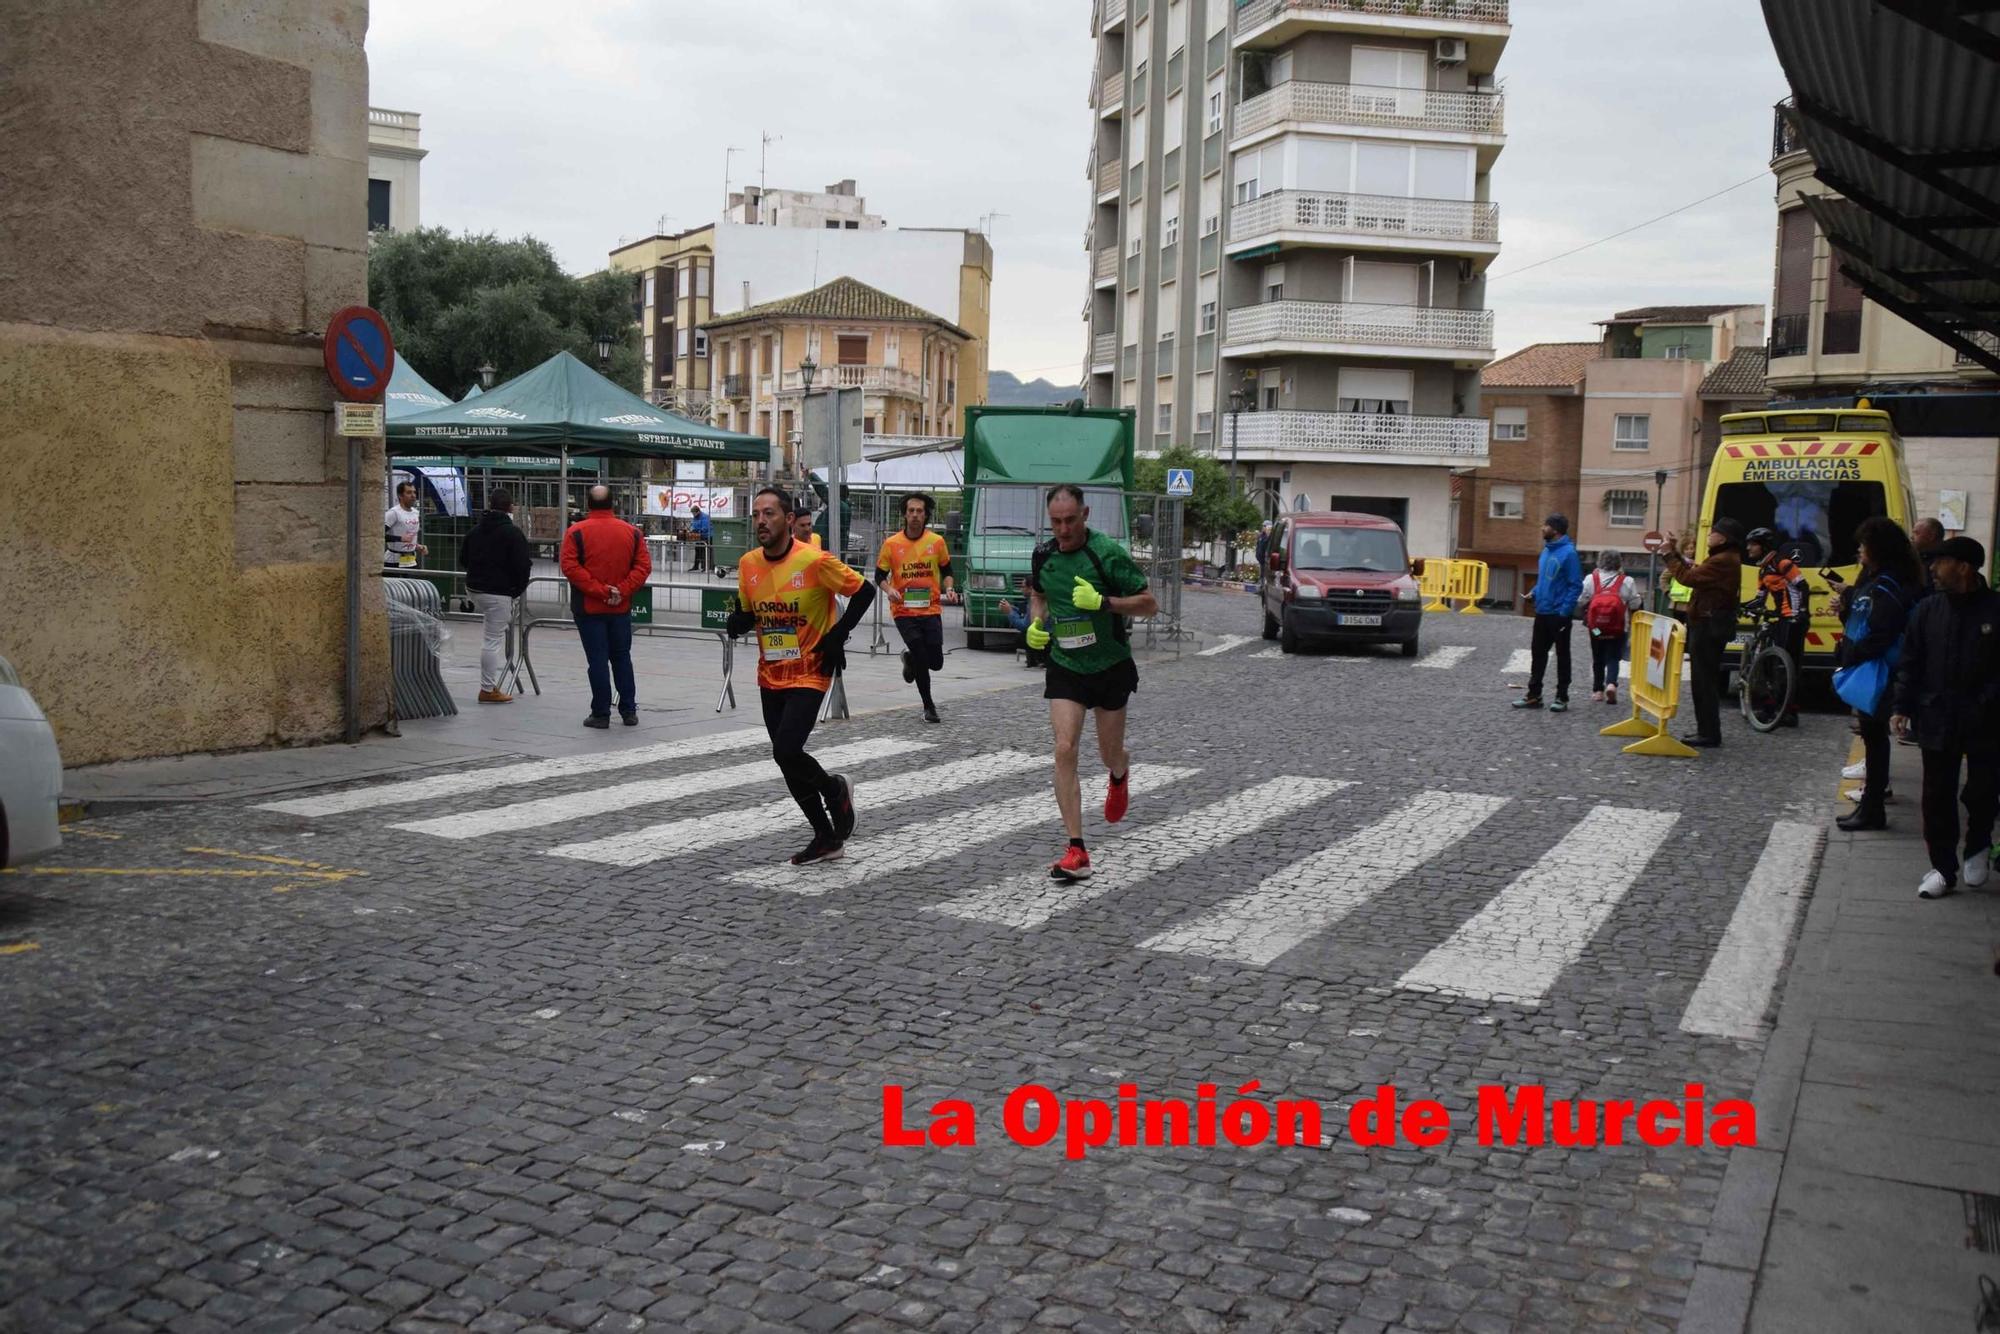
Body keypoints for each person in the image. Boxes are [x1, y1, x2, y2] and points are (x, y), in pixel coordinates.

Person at [727, 486, 876, 865]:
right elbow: (751, 612)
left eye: (770, 514)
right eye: (756, 514)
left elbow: (865, 592)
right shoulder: (748, 565)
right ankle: (826, 836)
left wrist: (837, 636)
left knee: (786, 750)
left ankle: (835, 789)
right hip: (770, 673)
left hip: (810, 670)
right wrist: (739, 622)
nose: (761, 520)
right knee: (786, 759)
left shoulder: (814, 560)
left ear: (789, 520)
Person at [1023, 484, 1158, 882]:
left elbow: (1150, 604)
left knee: (1108, 752)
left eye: (1070, 520)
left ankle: (1120, 772)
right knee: (1064, 748)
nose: (1063, 529)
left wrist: (1104, 603)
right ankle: (1076, 849)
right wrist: (1035, 624)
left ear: (1085, 514)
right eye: (1055, 521)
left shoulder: (1107, 554)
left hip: (1110, 665)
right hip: (1066, 665)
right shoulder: (1043, 555)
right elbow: (1041, 596)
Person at [1890, 535, 2000, 898]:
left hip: (1985, 719)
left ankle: (1978, 846)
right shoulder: (1928, 610)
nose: (1933, 570)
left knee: (1982, 790)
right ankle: (1942, 867)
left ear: (1964, 567)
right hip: (1936, 714)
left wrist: (1985, 701)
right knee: (1936, 795)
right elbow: (1911, 662)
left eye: (1940, 563)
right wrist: (1902, 706)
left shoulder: (1995, 610)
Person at [1836, 517, 1921, 830]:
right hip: (1873, 666)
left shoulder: (1887, 584)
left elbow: (1880, 630)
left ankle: (1873, 809)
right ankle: (1870, 807)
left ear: (1878, 549)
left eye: (1863, 546)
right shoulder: (1882, 579)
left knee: (1874, 737)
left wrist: (1853, 654)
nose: (1859, 551)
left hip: (1879, 670)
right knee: (1872, 737)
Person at [559, 484, 652, 729]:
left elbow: (570, 567)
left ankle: (601, 713)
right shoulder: (632, 533)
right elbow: (643, 567)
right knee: (622, 658)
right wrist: (621, 590)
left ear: (588, 505)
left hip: (589, 608)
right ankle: (629, 710)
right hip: (620, 607)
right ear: (614, 504)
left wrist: (599, 590)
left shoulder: (575, 532)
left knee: (597, 660)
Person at [1659, 517, 1745, 748]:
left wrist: (1668, 555)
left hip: (1709, 625)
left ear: (1723, 538)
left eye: (1712, 533)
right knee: (1703, 680)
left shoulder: (1723, 560)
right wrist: (1676, 552)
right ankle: (1705, 729)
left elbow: (1689, 578)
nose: (1709, 536)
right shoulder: (1724, 557)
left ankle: (1708, 733)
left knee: (1704, 681)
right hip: (1708, 622)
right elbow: (1693, 570)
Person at [875, 492, 955, 724]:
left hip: (930, 610)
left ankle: (909, 659)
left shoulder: (936, 542)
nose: (915, 515)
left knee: (936, 662)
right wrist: (889, 590)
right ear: (904, 515)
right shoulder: (892, 544)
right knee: (922, 658)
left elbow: (948, 571)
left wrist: (949, 588)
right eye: (911, 511)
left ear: (926, 515)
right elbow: (880, 575)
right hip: (904, 611)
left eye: (919, 511)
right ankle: (928, 706)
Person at [461, 487, 533, 705]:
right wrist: (515, 591)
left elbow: (463, 558)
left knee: (489, 635)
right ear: (510, 507)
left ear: (490, 505)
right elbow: (523, 566)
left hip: (475, 588)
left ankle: (489, 686)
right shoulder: (513, 533)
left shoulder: (474, 531)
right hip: (499, 592)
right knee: (491, 641)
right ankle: (487, 688)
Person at [1513, 513, 1583, 712]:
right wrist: (1534, 593)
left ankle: (1562, 696)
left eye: (1546, 526)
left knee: (1562, 656)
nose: (1542, 528)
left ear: (1556, 530)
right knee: (1538, 654)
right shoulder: (1546, 551)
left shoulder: (1569, 553)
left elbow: (1575, 585)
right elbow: (1545, 580)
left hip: (1558, 614)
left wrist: (1564, 612)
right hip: (1542, 612)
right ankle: (1534, 695)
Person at [1744, 526, 1809, 727]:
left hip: (1794, 619)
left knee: (1788, 666)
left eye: (1752, 545)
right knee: (1771, 664)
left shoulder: (1784, 563)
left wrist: (1802, 612)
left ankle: (1791, 711)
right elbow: (1760, 598)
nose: (1748, 548)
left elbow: (1803, 587)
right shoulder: (1763, 569)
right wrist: (1742, 607)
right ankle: (1770, 706)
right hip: (1781, 618)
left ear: (1763, 546)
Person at [1574, 549, 1643, 705]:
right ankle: (1611, 683)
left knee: (1598, 657)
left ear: (1600, 561)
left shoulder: (1591, 579)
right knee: (1613, 657)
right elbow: (1635, 604)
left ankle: (1598, 690)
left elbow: (1581, 601)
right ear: (1619, 563)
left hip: (1596, 628)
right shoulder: (1627, 581)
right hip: (1618, 627)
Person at [383, 480, 427, 568]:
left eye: (414, 492)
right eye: (409, 492)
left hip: (411, 560)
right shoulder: (393, 513)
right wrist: (400, 538)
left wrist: (417, 546)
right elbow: (378, 535)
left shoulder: (416, 513)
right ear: (400, 495)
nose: (413, 495)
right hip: (394, 562)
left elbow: (411, 535)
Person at [999, 598, 1044, 669]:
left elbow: (1024, 626)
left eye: (1022, 587)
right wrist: (1012, 609)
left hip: (1044, 639)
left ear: (1030, 588)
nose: (1021, 589)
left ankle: (1037, 661)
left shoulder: (1035, 602)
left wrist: (1009, 612)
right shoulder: (1031, 601)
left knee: (1023, 636)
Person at [688, 502, 713, 573]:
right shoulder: (695, 517)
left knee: (704, 551)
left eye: (694, 513)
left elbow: (705, 528)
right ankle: (696, 566)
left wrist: (697, 531)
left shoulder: (705, 517)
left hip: (707, 535)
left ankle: (705, 566)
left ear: (698, 511)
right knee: (697, 550)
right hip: (699, 535)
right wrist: (693, 530)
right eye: (692, 513)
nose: (693, 515)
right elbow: (694, 525)